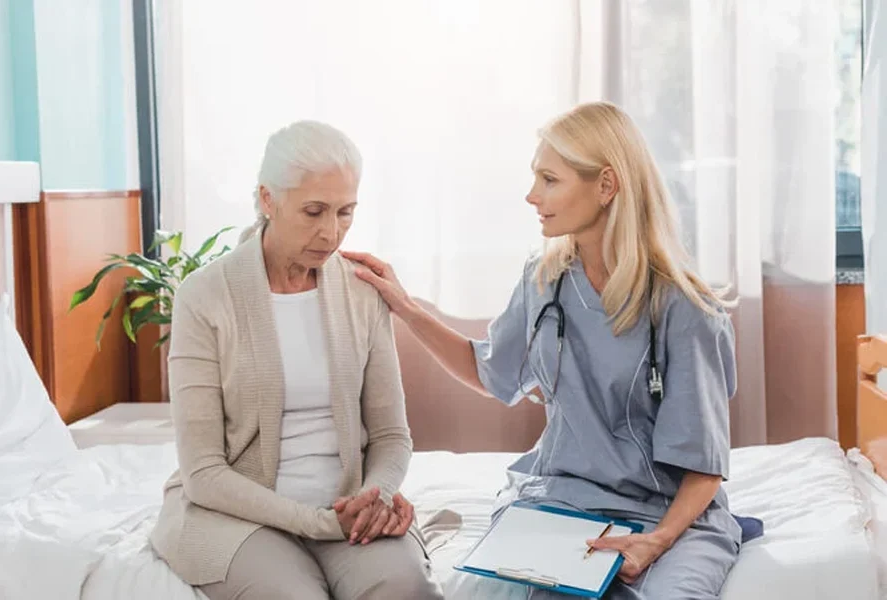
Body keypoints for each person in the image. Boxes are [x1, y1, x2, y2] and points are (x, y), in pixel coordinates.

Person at [343, 101, 742, 599]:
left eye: (550, 180)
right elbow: (492, 371)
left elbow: (703, 469)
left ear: (606, 185)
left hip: (666, 514)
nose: (532, 196)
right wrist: (406, 308)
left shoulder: (686, 311)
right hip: (562, 501)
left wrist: (654, 543)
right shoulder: (545, 279)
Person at [149, 120, 444, 600]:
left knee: (406, 588)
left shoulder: (362, 291)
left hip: (345, 503)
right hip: (239, 516)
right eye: (313, 211)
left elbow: (391, 436)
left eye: (346, 212)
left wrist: (377, 496)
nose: (331, 233)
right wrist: (318, 523)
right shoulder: (203, 296)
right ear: (267, 199)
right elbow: (203, 473)